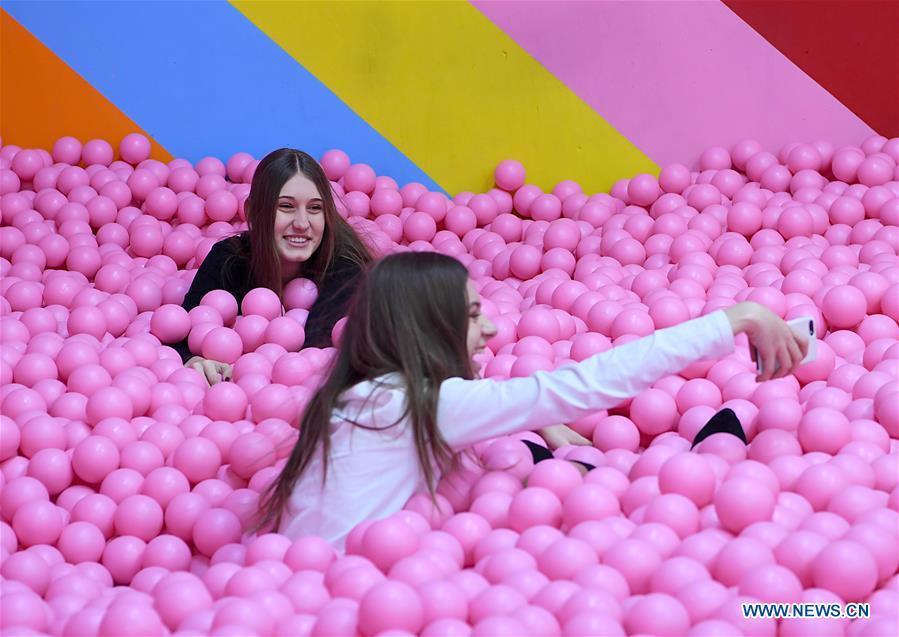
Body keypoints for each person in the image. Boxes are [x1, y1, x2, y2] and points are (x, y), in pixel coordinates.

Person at [257, 252, 808, 548]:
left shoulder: (361, 397)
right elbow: (584, 384)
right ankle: (711, 446)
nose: (493, 329)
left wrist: (538, 425)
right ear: (428, 329)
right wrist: (738, 317)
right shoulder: (416, 402)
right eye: (472, 316)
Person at [172, 148, 372, 384]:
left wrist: (246, 372)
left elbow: (313, 354)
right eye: (286, 206)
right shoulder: (229, 260)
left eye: (315, 208)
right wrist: (194, 361)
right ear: (253, 213)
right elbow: (178, 335)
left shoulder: (345, 267)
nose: (302, 223)